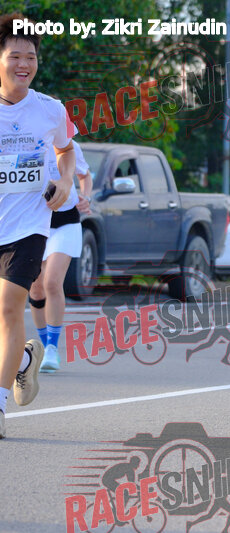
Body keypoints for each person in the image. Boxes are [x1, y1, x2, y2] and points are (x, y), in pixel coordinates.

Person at [0, 13, 76, 438]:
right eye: (15, 56)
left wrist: (65, 181)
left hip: (29, 226)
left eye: (30, 56)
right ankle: (24, 360)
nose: (23, 64)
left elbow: (66, 150)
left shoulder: (50, 109)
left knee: (9, 307)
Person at [29, 140, 92, 372]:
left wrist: (86, 197)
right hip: (34, 222)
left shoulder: (70, 146)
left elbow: (84, 175)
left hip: (66, 222)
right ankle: (45, 345)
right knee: (36, 288)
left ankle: (52, 349)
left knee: (52, 282)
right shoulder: (29, 142)